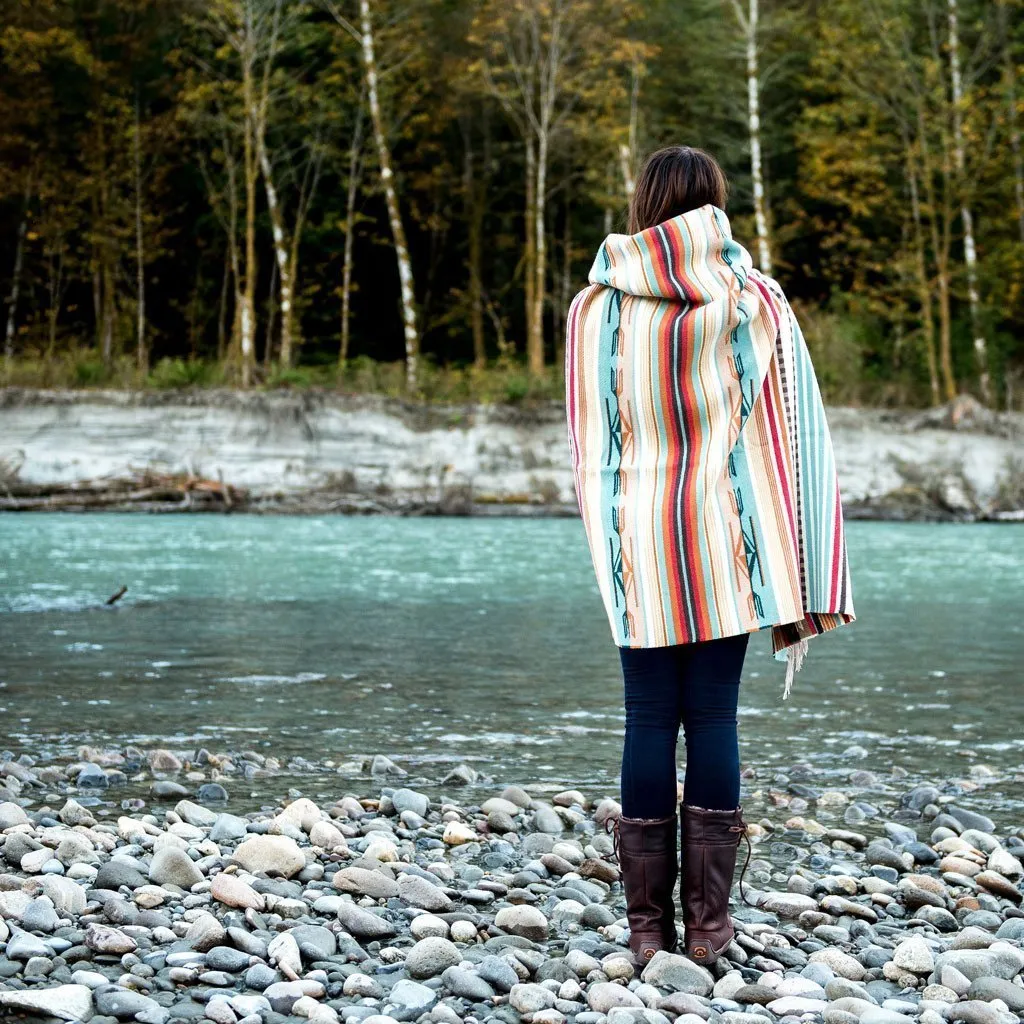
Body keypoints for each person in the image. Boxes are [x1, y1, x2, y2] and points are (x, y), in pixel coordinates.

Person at [565, 146, 855, 966]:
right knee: (715, 718)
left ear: (643, 203)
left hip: (641, 545)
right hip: (728, 536)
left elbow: (589, 444)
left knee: (649, 718)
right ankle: (712, 928)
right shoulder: (754, 300)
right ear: (715, 205)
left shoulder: (596, 309)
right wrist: (800, 550)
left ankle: (646, 928)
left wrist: (616, 529)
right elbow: (792, 429)